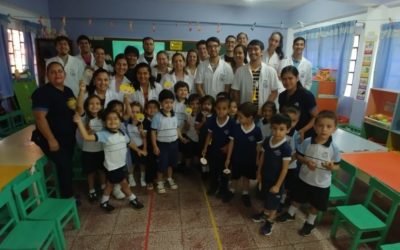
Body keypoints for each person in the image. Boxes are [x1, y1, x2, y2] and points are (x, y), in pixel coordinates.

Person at [277, 110, 341, 237]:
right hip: (304, 178)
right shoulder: (307, 141)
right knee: (297, 198)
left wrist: (331, 166)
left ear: (334, 129)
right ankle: (290, 213)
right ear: (315, 127)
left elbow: (337, 166)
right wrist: (306, 162)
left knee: (315, 205)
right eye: (320, 126)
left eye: (329, 126)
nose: (324, 129)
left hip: (321, 184)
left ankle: (310, 223)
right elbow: (298, 156)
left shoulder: (334, 148)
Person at [74, 109, 144, 212]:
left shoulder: (122, 133)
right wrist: (79, 122)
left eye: (115, 119)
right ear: (104, 122)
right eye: (109, 119)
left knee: (110, 185)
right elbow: (87, 137)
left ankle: (104, 202)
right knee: (124, 184)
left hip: (121, 164)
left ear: (120, 121)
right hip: (112, 167)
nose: (112, 121)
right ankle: (133, 199)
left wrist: (138, 150)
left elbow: (129, 142)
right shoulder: (103, 134)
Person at [31, 62, 77, 199]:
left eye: (60, 71)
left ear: (65, 74)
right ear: (47, 75)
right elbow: (40, 118)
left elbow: (73, 110)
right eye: (53, 72)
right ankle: (67, 198)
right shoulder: (42, 93)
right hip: (52, 138)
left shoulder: (68, 91)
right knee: (64, 166)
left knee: (67, 166)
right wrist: (51, 139)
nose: (57, 74)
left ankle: (68, 192)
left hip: (67, 136)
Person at [252, 113, 292, 236]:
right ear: (271, 127)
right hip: (265, 177)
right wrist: (259, 173)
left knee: (274, 203)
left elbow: (285, 169)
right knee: (266, 197)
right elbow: (263, 156)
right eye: (274, 128)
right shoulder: (268, 140)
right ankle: (264, 214)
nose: (277, 132)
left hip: (276, 181)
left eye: (281, 129)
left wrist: (278, 186)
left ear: (288, 130)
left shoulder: (286, 148)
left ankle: (270, 221)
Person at [225, 102, 263, 207]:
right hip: (237, 158)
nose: (238, 119)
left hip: (250, 159)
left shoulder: (257, 131)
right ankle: (231, 191)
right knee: (235, 176)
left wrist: (257, 159)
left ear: (250, 117)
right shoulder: (236, 128)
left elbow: (258, 147)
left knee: (247, 177)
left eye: (241, 117)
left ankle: (245, 194)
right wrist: (228, 158)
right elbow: (231, 143)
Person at [151, 90, 188, 194]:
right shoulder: (157, 117)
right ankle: (159, 182)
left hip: (174, 144)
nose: (169, 105)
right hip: (162, 145)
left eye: (171, 102)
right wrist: (155, 146)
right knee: (162, 164)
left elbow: (176, 128)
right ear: (161, 103)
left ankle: (169, 178)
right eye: (166, 102)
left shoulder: (174, 115)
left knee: (171, 163)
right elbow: (153, 133)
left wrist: (181, 138)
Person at [76, 83, 106, 202]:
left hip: (101, 149)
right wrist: (82, 91)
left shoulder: (104, 117)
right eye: (91, 104)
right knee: (90, 172)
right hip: (88, 150)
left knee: (102, 170)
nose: (95, 106)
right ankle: (92, 190)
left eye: (97, 104)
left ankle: (104, 187)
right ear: (87, 106)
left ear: (101, 106)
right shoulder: (84, 117)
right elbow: (79, 107)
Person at [202, 97, 235, 200]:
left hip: (226, 153)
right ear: (215, 108)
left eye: (224, 108)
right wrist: (205, 148)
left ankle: (223, 189)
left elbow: (232, 141)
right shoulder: (212, 120)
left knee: (224, 172)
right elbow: (209, 135)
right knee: (213, 170)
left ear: (228, 109)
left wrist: (228, 156)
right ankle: (213, 187)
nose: (221, 111)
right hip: (214, 150)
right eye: (218, 108)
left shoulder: (232, 123)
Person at [231, 40, 279, 109]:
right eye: (250, 49)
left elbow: (274, 92)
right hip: (245, 112)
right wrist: (240, 108)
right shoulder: (240, 71)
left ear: (262, 52)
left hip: (264, 112)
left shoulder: (271, 71)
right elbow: (236, 92)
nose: (253, 52)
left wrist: (265, 108)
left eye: (256, 49)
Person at [278, 66, 317, 140]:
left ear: (297, 78)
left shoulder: (306, 95)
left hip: (304, 134)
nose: (287, 82)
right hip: (288, 134)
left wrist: (303, 130)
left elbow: (315, 117)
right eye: (284, 79)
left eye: (290, 78)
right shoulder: (282, 96)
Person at [280, 106, 301, 209]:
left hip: (290, 166)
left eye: (294, 121)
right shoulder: (279, 132)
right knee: (279, 182)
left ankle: (283, 200)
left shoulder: (296, 135)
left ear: (297, 121)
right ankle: (277, 198)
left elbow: (297, 152)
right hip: (278, 164)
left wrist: (288, 162)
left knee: (287, 185)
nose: (291, 123)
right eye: (288, 120)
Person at [127, 102, 147, 188]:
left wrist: (142, 132)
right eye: (133, 111)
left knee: (142, 163)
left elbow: (144, 138)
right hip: (130, 147)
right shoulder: (126, 124)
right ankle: (131, 177)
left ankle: (143, 177)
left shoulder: (142, 124)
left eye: (137, 112)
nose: (135, 114)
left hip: (141, 146)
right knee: (132, 164)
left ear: (141, 113)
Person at [195, 95, 215, 179]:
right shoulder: (199, 115)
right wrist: (203, 122)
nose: (206, 106)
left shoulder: (215, 116)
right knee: (203, 155)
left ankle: (210, 171)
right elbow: (196, 127)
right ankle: (204, 171)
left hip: (212, 140)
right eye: (204, 104)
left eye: (209, 104)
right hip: (202, 140)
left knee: (211, 155)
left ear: (212, 106)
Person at [143, 100, 160, 190]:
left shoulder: (160, 119)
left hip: (160, 144)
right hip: (149, 146)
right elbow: (144, 136)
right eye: (149, 107)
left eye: (154, 107)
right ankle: (149, 181)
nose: (152, 109)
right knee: (150, 163)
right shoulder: (144, 122)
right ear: (145, 110)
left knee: (159, 163)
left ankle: (158, 179)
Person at [182, 93, 201, 170]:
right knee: (188, 155)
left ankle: (196, 168)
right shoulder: (187, 114)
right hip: (189, 136)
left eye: (197, 103)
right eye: (192, 104)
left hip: (198, 138)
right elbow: (186, 128)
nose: (195, 106)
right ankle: (187, 168)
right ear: (189, 105)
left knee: (197, 154)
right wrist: (187, 120)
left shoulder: (202, 115)